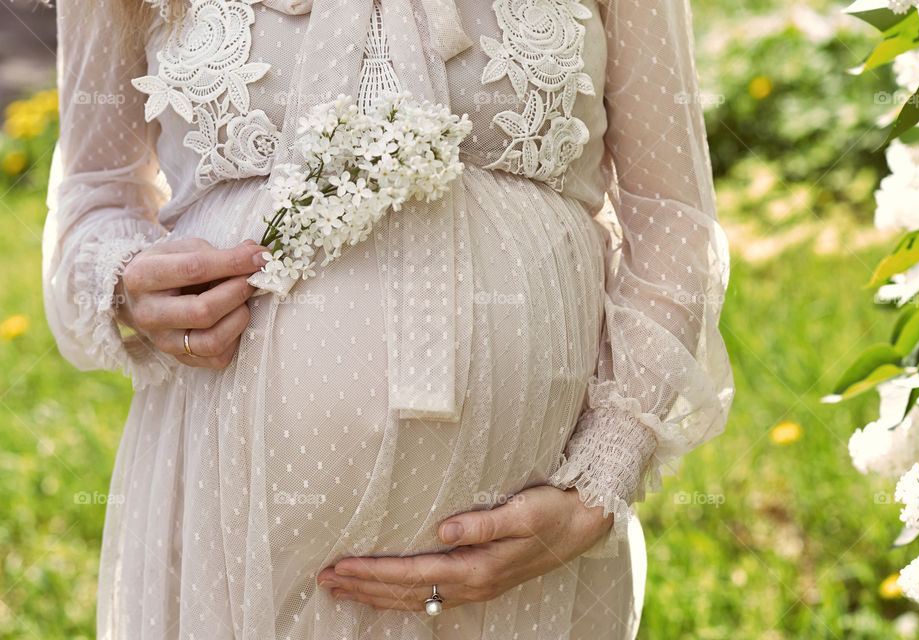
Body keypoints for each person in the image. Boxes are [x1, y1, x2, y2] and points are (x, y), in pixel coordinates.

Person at [41, 0, 734, 637]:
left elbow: (671, 217)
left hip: (526, 568)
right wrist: (127, 281)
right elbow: (92, 197)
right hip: (234, 529)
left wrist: (600, 480)